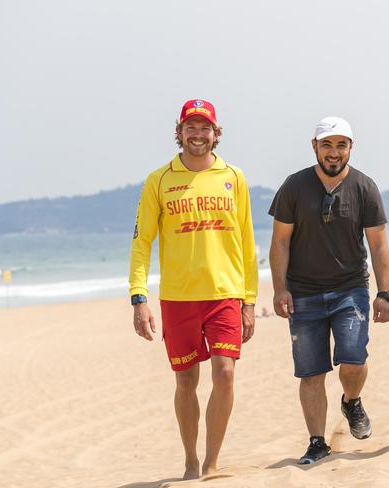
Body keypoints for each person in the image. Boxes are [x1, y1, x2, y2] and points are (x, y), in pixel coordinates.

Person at [128, 99, 258, 479]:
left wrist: (249, 301)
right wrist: (139, 297)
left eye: (205, 128)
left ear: (216, 134)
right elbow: (141, 243)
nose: (198, 134)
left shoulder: (234, 176)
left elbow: (247, 243)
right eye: (191, 127)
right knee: (186, 380)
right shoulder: (160, 181)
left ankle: (212, 462)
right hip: (178, 297)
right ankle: (190, 461)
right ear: (179, 131)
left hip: (224, 293)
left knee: (225, 375)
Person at [269, 116, 389, 464]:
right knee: (311, 372)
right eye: (327, 145)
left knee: (353, 358)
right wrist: (280, 289)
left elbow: (379, 246)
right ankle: (316, 441)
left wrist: (384, 293)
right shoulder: (294, 186)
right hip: (303, 292)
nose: (334, 152)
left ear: (350, 148)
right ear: (315, 147)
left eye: (341, 145)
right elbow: (280, 242)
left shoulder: (364, 187)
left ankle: (352, 401)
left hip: (349, 289)